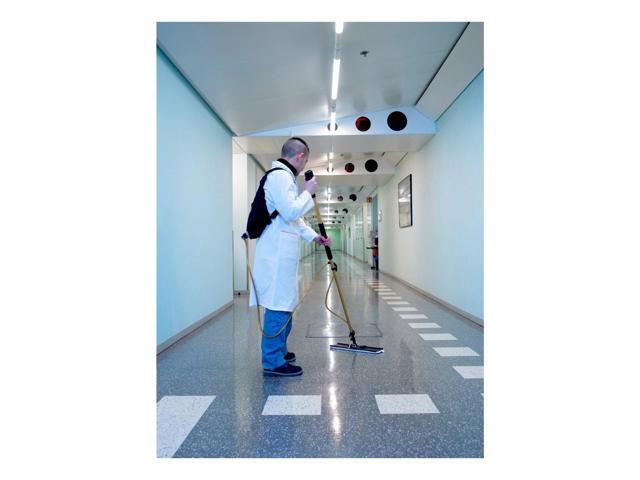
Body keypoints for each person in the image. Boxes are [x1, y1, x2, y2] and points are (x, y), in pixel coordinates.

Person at [249, 137, 331, 377]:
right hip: (276, 254)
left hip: (282, 253)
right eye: (305, 160)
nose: (304, 165)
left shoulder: (284, 178)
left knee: (285, 303)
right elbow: (292, 211)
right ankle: (272, 361)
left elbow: (292, 219)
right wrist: (308, 192)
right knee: (278, 304)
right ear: (300, 156)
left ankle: (280, 351)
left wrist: (314, 237)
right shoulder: (280, 177)